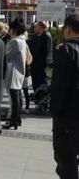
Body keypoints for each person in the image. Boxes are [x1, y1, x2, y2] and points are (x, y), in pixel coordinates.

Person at [51, 14, 79, 179]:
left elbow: (60, 85)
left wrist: (55, 111)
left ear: (68, 29)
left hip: (68, 115)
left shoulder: (67, 50)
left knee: (66, 159)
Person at [3, 18, 27, 130]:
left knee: (14, 98)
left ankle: (14, 119)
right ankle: (17, 118)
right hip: (19, 71)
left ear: (15, 30)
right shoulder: (23, 40)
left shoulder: (15, 41)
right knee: (17, 96)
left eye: (11, 29)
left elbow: (6, 56)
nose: (9, 31)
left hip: (13, 71)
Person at [29, 21, 53, 91]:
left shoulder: (46, 35)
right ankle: (37, 94)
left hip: (42, 63)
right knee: (36, 80)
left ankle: (42, 96)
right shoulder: (37, 36)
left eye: (36, 27)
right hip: (36, 62)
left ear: (40, 27)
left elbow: (46, 50)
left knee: (42, 80)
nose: (34, 28)